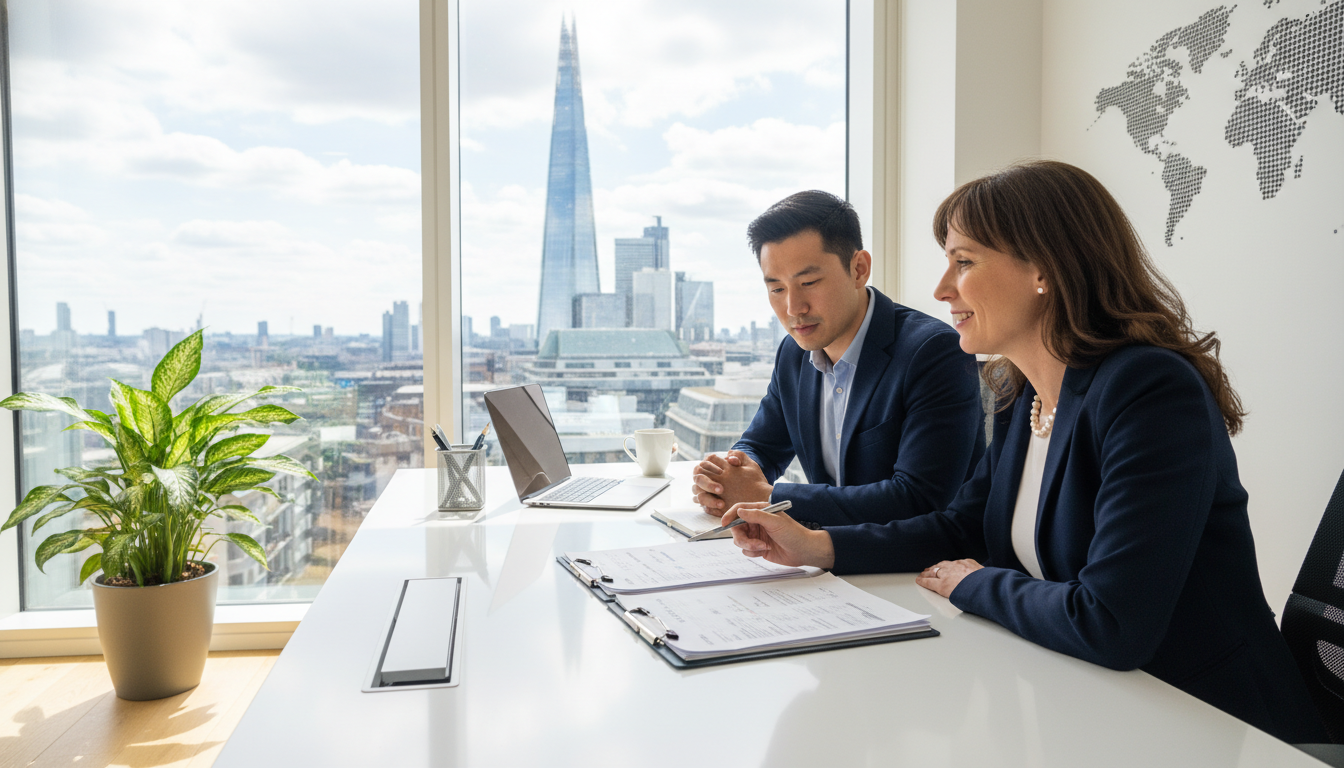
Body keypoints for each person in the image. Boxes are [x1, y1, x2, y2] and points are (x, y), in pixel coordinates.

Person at [722, 162, 1325, 743]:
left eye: (964, 262)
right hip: (1090, 704)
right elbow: (962, 527)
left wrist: (973, 586)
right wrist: (818, 547)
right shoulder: (1023, 392)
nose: (941, 289)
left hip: (1209, 723)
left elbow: (1111, 622)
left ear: (1044, 269)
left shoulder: (1148, 390)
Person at [690, 190, 984, 527]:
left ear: (859, 269)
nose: (793, 309)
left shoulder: (933, 352)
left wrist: (768, 497)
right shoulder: (794, 352)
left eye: (809, 282)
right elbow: (762, 446)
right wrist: (727, 475)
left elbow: (917, 498)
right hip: (824, 560)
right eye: (777, 289)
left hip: (918, 567)